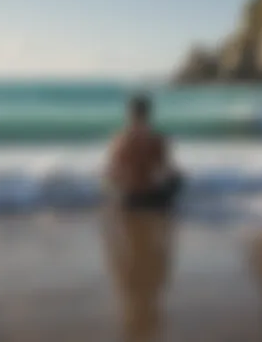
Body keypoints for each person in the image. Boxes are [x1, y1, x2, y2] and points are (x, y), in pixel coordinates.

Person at [103, 94, 181, 342]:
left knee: (113, 187)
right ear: (148, 114)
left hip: (127, 200)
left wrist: (109, 225)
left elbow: (111, 173)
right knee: (179, 180)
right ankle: (163, 208)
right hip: (153, 200)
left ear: (130, 115)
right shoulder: (158, 139)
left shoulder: (120, 138)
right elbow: (167, 170)